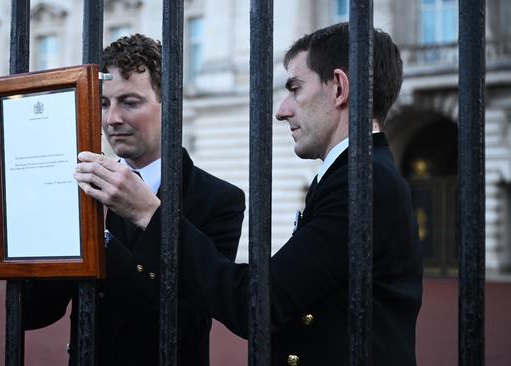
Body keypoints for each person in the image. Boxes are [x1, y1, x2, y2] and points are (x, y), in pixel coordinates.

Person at [80, 23, 423, 365]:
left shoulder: (364, 182)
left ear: (339, 89)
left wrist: (149, 215)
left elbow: (258, 303)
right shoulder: (353, 175)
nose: (281, 109)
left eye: (294, 88)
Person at [22, 34, 245, 366]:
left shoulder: (219, 199)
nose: (112, 118)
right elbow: (33, 314)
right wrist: (37, 225)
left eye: (129, 102)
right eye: (103, 103)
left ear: (169, 105)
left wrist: (103, 241)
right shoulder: (79, 188)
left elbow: (185, 319)